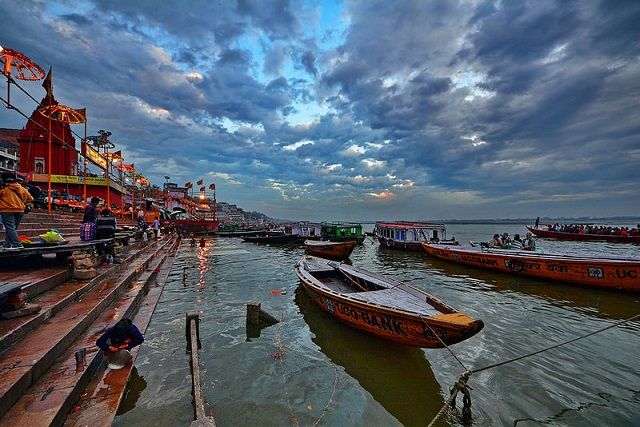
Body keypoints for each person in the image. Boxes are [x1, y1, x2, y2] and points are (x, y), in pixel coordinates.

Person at [0, 173, 33, 249]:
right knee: (12, 228)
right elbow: (30, 198)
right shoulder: (21, 188)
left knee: (10, 228)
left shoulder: (3, 189)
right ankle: (7, 244)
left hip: (7, 210)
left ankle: (17, 244)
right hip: (20, 210)